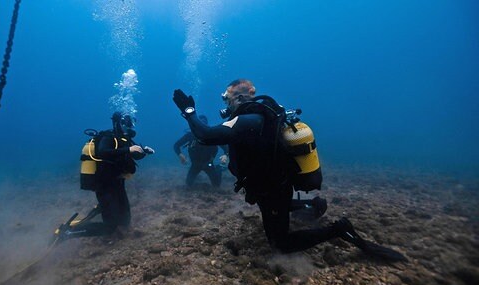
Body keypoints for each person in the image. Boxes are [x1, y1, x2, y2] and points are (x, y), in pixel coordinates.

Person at [171, 80, 406, 261]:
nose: (226, 104)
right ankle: (312, 206)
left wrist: (189, 111)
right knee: (269, 204)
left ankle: (340, 230)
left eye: (227, 98)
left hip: (272, 187)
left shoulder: (249, 119)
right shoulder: (260, 117)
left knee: (280, 243)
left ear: (240, 97)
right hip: (271, 184)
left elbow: (205, 135)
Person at [57, 111, 155, 240]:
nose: (131, 125)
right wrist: (128, 149)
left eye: (133, 122)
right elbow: (102, 152)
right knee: (110, 227)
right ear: (120, 123)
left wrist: (144, 152)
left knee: (125, 219)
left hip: (118, 182)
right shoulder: (109, 136)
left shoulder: (125, 139)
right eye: (128, 122)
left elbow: (133, 154)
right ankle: (67, 232)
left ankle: (101, 210)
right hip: (104, 184)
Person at [173, 115, 229, 188]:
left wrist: (225, 155)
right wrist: (180, 155)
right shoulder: (190, 135)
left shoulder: (213, 135)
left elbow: (226, 148)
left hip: (208, 163)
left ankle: (218, 168)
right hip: (195, 164)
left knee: (216, 185)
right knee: (188, 184)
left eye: (203, 125)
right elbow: (176, 145)